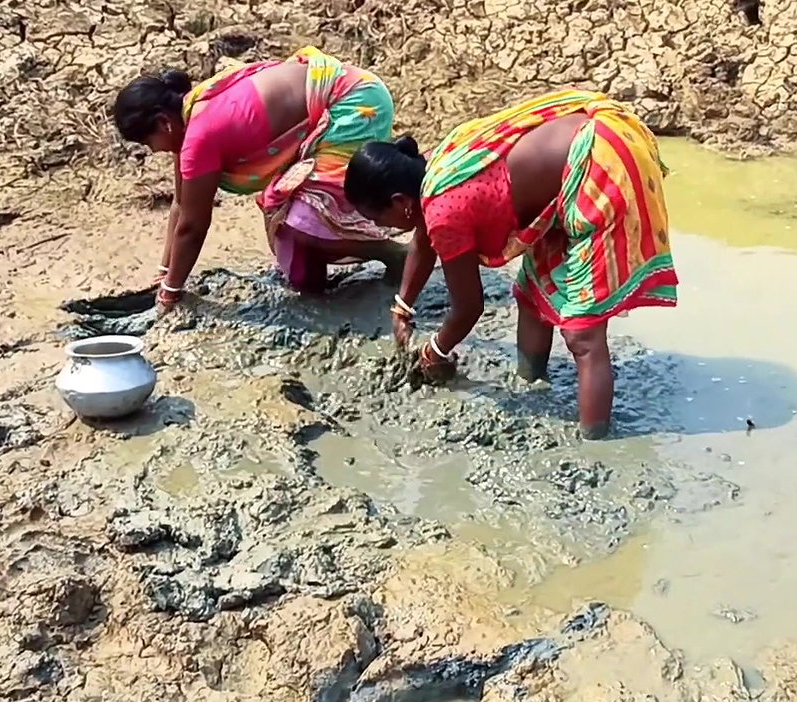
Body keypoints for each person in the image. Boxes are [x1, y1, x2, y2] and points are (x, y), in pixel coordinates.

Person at [344, 89, 679, 439]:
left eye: (379, 218)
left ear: (401, 203)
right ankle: (531, 384)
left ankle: (596, 444)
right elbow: (423, 243)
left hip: (601, 165)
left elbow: (469, 307)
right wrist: (403, 307)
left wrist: (436, 350)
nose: (381, 228)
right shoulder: (433, 171)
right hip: (573, 163)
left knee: (583, 333)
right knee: (533, 294)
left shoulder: (444, 211)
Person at [111, 46, 405, 308]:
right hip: (333, 105)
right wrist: (165, 274)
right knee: (299, 268)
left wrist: (171, 292)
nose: (152, 150)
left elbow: (193, 226)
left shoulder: (200, 133)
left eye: (147, 142)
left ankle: (394, 254)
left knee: (300, 223)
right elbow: (181, 205)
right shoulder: (189, 120)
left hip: (353, 103)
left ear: (163, 123)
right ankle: (330, 298)